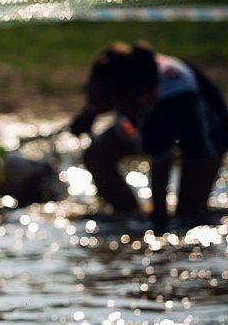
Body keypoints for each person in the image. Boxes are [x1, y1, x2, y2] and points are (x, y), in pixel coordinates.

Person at [69, 41, 227, 230]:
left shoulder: (160, 109)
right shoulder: (127, 74)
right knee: (96, 156)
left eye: (100, 99)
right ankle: (127, 213)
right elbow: (99, 102)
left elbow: (160, 174)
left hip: (206, 126)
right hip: (154, 106)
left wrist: (157, 229)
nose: (94, 104)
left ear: (123, 97)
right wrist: (89, 114)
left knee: (188, 216)